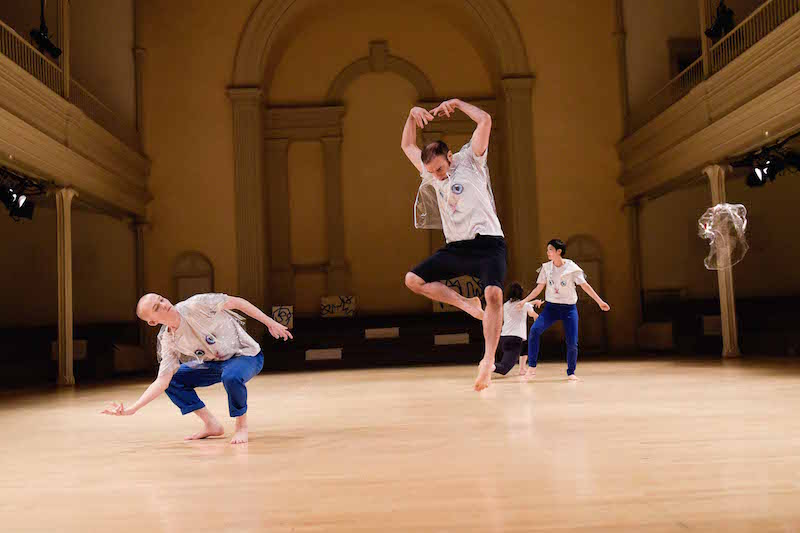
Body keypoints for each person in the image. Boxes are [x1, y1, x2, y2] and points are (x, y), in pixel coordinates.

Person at [400, 98, 506, 391]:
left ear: (449, 157)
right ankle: (466, 304)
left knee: (494, 295)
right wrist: (411, 116)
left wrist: (458, 104)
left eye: (439, 168)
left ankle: (487, 361)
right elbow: (407, 146)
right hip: (458, 247)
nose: (437, 175)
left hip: (489, 244)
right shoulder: (431, 175)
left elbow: (485, 120)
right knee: (413, 280)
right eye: (431, 171)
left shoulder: (471, 160)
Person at [102, 293, 292, 444]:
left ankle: (241, 425)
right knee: (174, 381)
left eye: (161, 299)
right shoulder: (168, 339)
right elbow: (162, 381)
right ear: (152, 321)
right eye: (156, 307)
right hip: (214, 364)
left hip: (245, 356)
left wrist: (270, 322)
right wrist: (132, 409)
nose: (164, 304)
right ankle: (211, 424)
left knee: (231, 377)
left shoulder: (196, 304)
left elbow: (237, 303)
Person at [521, 239, 610, 380]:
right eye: (547, 250)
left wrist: (599, 302)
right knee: (534, 331)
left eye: (550, 249)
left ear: (559, 251)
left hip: (569, 309)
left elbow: (585, 286)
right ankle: (531, 367)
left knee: (572, 341)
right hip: (551, 308)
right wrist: (525, 300)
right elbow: (538, 288)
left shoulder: (572, 268)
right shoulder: (546, 268)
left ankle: (571, 372)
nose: (547, 252)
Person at [494, 282, 538, 376]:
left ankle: (522, 369)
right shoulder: (525, 305)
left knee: (525, 346)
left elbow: (520, 305)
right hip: (515, 338)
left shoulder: (505, 305)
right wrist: (536, 316)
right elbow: (532, 313)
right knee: (504, 368)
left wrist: (533, 302)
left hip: (503, 338)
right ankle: (487, 366)